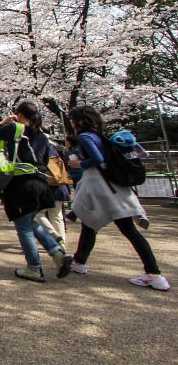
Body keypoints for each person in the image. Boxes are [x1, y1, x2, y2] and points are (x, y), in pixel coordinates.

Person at [66, 106, 169, 291]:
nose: (72, 123)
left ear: (80, 121)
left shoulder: (86, 137)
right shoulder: (100, 136)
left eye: (73, 120)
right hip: (112, 185)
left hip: (102, 187)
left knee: (122, 228)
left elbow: (96, 159)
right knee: (92, 225)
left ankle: (154, 273)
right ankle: (79, 261)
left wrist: (79, 163)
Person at [0, 102, 73, 282]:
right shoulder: (44, 136)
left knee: (23, 227)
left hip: (22, 183)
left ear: (20, 115)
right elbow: (46, 160)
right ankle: (57, 254)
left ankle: (34, 268)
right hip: (41, 183)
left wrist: (3, 122)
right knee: (30, 222)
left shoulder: (15, 128)